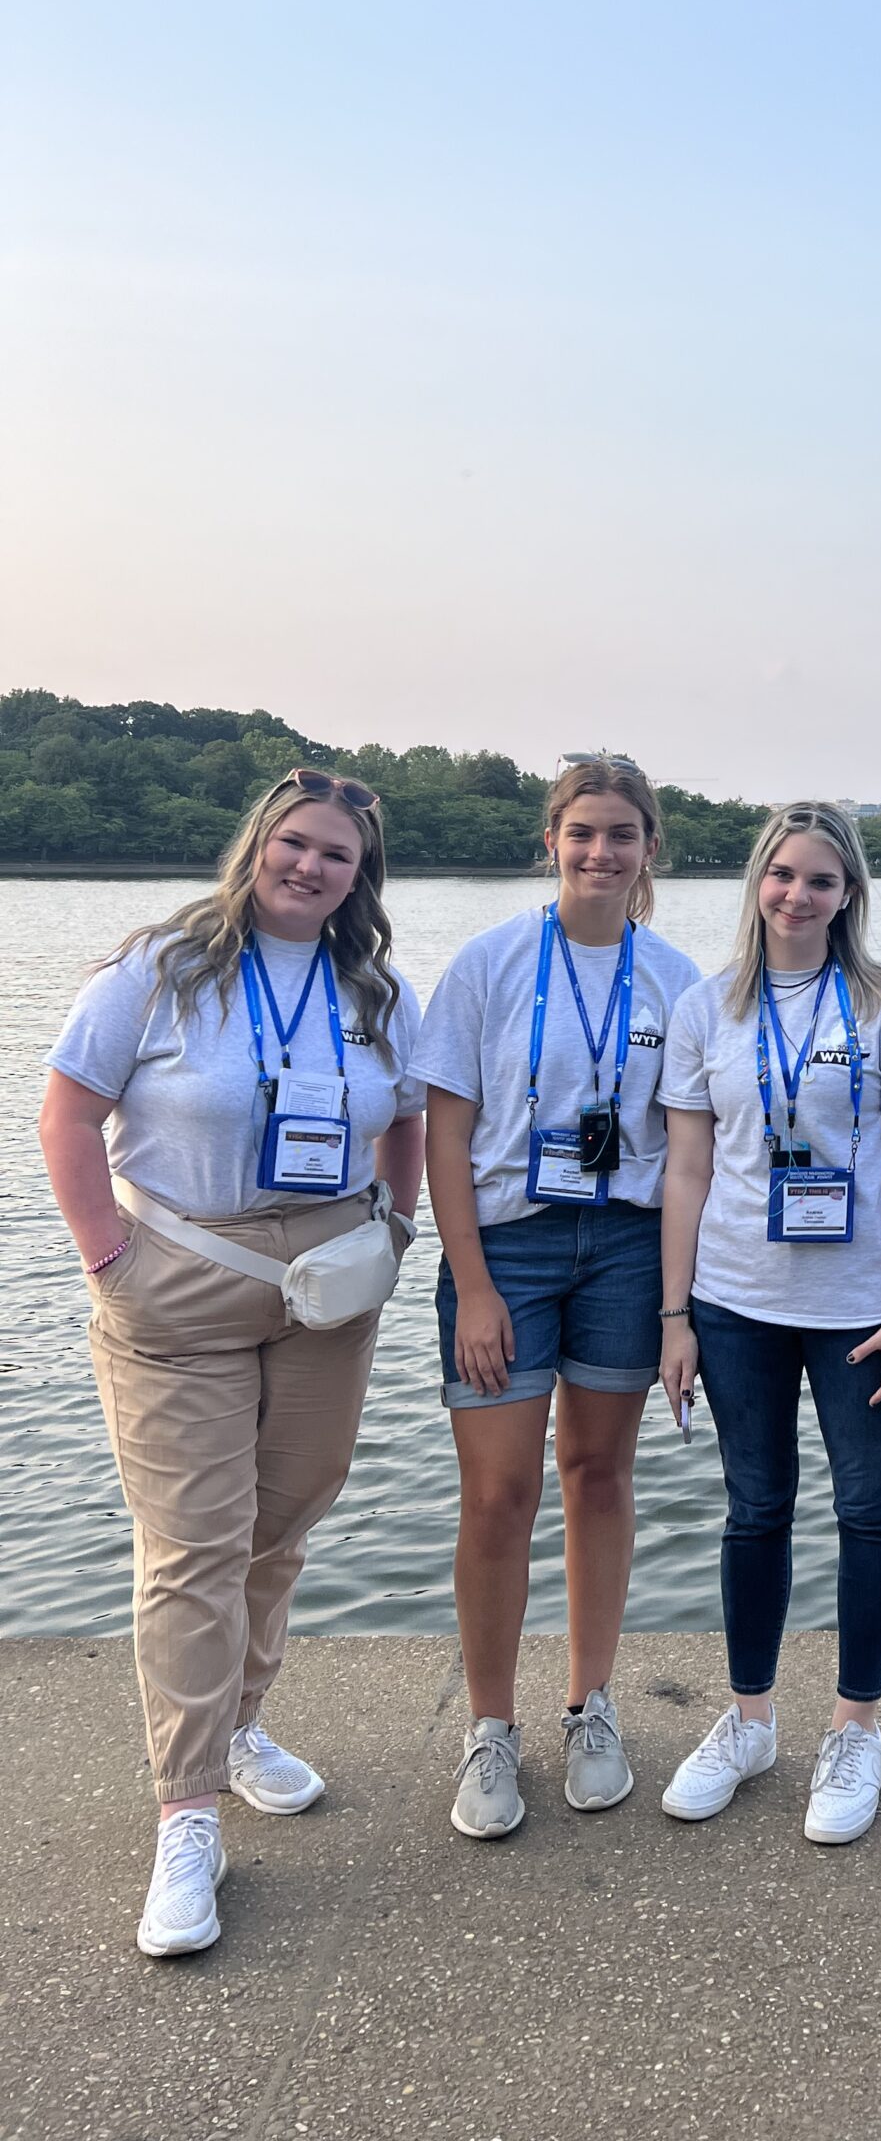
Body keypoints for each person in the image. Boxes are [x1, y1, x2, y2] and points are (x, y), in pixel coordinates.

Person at [39, 769, 426, 1957]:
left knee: (283, 1522)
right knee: (193, 1544)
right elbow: (65, 1112)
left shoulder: (374, 990)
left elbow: (405, 1116)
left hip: (327, 1287)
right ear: (257, 844)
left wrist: (397, 1230)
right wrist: (110, 1258)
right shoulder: (159, 967)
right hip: (178, 1277)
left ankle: (239, 1722)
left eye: (337, 856)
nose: (311, 867)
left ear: (361, 877)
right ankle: (188, 1809)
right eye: (295, 844)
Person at [656, 802, 881, 1845]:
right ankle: (748, 1721)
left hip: (859, 1307)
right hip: (735, 1301)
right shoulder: (707, 1007)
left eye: (820, 880)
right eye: (782, 874)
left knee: (869, 1506)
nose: (797, 894)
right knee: (755, 1508)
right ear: (757, 883)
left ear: (849, 895)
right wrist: (673, 1313)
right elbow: (687, 1168)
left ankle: (855, 1726)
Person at [414, 758, 699, 1840]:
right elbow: (444, 1131)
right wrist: (474, 1282)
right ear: (552, 839)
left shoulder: (676, 979)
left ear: (648, 849)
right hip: (509, 1249)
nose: (601, 852)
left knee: (598, 1473)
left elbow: (684, 1151)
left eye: (622, 834)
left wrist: (680, 1307)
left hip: (627, 1245)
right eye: (582, 832)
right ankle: (490, 1727)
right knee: (497, 1495)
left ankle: (589, 1706)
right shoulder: (487, 965)